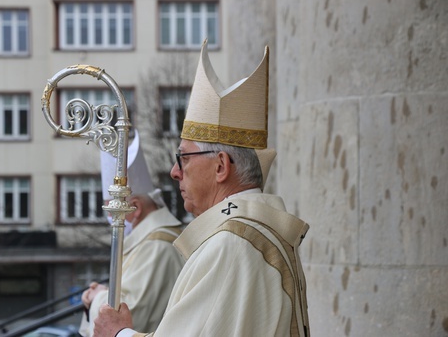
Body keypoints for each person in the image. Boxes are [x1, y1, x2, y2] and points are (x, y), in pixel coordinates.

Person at [94, 40, 311, 337]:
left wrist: (117, 333)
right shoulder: (256, 230)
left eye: (183, 158)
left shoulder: (231, 243)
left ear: (221, 166)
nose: (174, 172)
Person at [79, 131, 185, 337]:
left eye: (114, 211)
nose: (111, 218)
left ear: (135, 208)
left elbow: (132, 316)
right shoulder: (146, 241)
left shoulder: (157, 246)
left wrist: (98, 297)